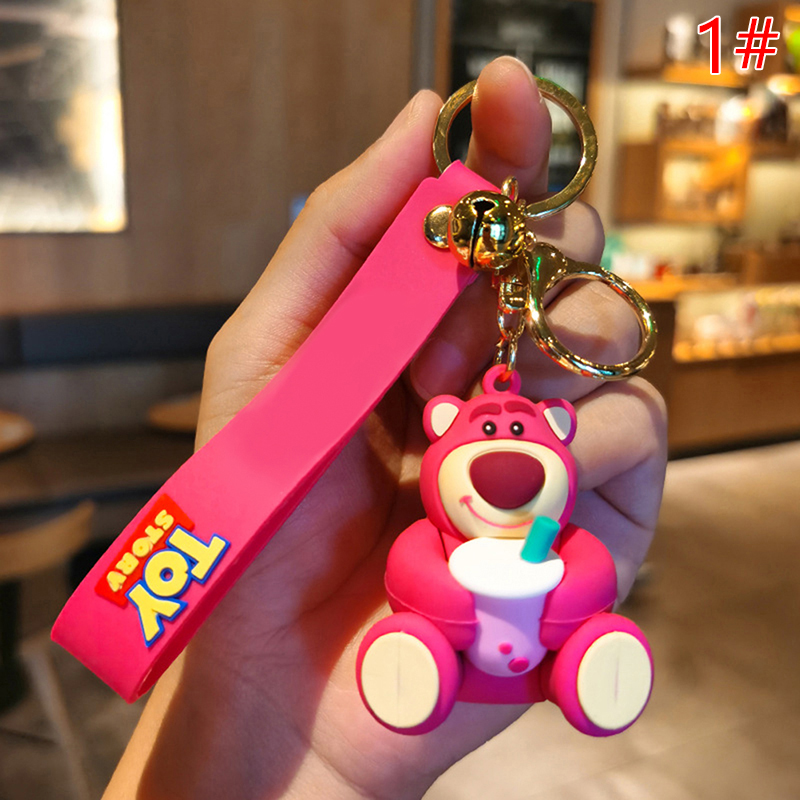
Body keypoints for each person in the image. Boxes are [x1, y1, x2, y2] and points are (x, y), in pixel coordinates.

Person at [104, 56, 667, 800]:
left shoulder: (559, 531)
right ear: (444, 429)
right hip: (443, 643)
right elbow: (411, 570)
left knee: (593, 626)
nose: (508, 456)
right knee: (413, 640)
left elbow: (586, 571)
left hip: (542, 643)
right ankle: (418, 668)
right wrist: (253, 698)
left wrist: (572, 589)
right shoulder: (432, 532)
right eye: (485, 434)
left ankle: (590, 666)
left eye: (524, 436)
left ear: (558, 430)